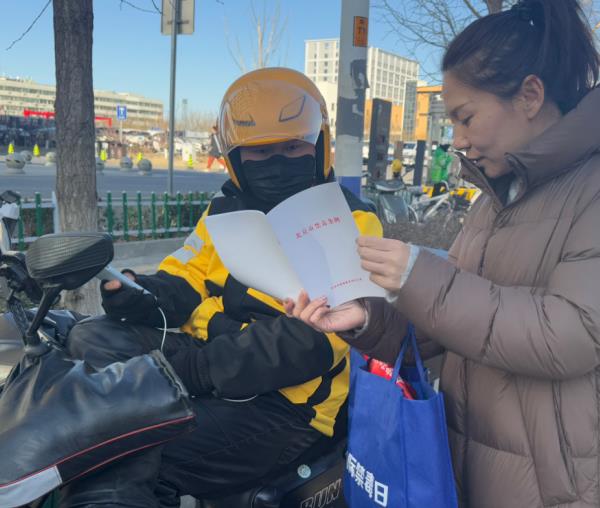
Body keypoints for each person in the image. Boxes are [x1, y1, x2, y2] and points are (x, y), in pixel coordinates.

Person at [287, 1, 600, 507]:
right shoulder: (498, 197)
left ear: (530, 95)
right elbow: (456, 324)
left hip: (578, 484)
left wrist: (418, 277)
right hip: (487, 466)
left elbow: (572, 333)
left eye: (466, 118)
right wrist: (368, 319)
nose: (458, 140)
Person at [59, 67, 382, 507]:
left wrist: (198, 371)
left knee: (135, 451)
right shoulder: (225, 211)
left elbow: (313, 343)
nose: (277, 162)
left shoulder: (349, 222)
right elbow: (185, 277)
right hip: (209, 361)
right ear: (235, 158)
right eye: (260, 152)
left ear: (320, 145)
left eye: (292, 147)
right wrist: (137, 293)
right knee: (90, 336)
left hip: (288, 407)